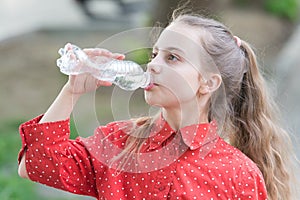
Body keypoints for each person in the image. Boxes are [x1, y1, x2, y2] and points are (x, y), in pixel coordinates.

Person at [18, 7, 296, 200]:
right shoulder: (119, 143)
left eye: (172, 57)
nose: (153, 65)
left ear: (208, 83)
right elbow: (35, 164)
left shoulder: (238, 174)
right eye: (154, 54)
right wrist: (72, 90)